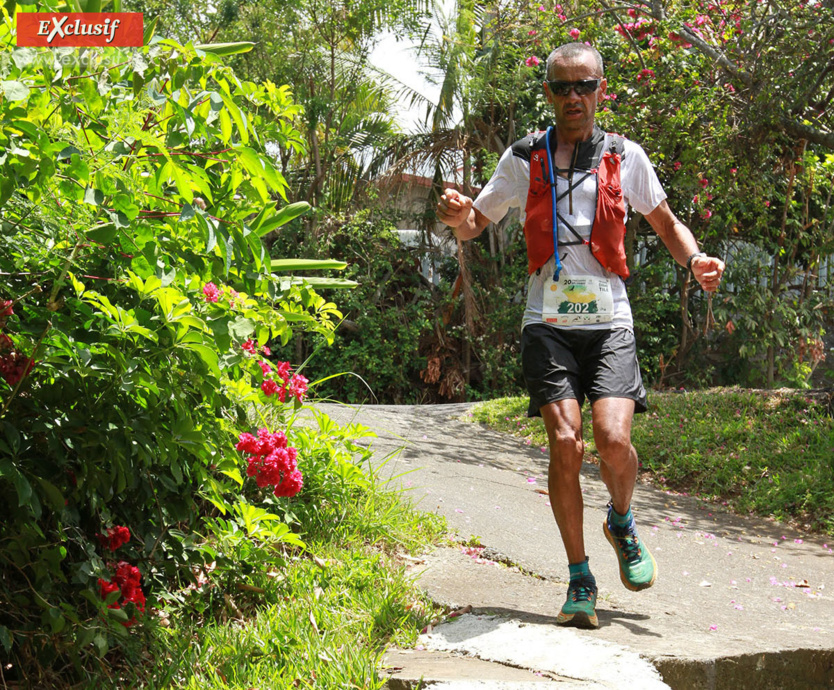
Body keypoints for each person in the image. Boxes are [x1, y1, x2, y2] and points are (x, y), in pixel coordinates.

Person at [436, 42, 725, 629]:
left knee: (612, 440)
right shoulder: (522, 157)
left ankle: (621, 520)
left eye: (584, 86)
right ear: (548, 94)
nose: (574, 97)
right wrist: (454, 214)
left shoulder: (626, 155)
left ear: (600, 90)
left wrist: (695, 261)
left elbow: (666, 224)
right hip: (548, 321)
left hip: (609, 319)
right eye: (562, 87)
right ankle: (579, 578)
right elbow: (474, 223)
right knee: (566, 441)